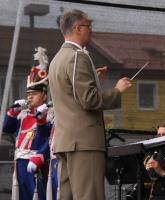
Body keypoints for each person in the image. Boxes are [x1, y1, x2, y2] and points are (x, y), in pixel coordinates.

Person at [48, 9, 132, 200]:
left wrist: (93, 78)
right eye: (89, 26)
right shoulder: (79, 56)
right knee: (89, 196)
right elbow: (89, 100)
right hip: (84, 143)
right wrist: (117, 90)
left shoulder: (56, 60)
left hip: (65, 142)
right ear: (78, 28)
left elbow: (71, 95)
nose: (91, 30)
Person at [3, 47, 50, 200]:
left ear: (44, 96)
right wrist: (12, 112)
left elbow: (49, 139)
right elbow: (6, 129)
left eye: (34, 94)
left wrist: (40, 156)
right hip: (20, 163)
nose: (30, 98)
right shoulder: (22, 114)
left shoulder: (50, 114)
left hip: (38, 163)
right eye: (28, 94)